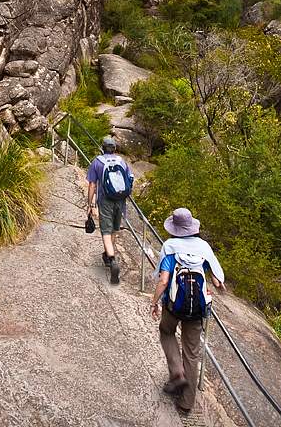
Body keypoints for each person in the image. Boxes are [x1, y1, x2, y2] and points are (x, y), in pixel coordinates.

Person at [150, 207, 224, 415]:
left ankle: (177, 373)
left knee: (166, 332)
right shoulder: (204, 247)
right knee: (192, 353)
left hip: (173, 306)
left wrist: (154, 302)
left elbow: (164, 280)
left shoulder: (170, 246)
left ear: (174, 228)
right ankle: (186, 404)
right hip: (197, 308)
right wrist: (217, 282)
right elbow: (217, 279)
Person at [86, 135, 134, 284]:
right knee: (114, 229)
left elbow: (92, 185)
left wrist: (90, 204)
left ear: (102, 147)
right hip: (120, 199)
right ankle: (108, 254)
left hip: (105, 200)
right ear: (114, 149)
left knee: (106, 232)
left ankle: (112, 261)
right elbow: (130, 178)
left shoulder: (97, 162)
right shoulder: (121, 161)